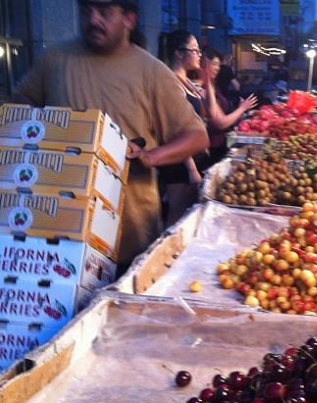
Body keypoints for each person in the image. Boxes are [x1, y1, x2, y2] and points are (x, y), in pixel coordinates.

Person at [11, 0, 209, 274]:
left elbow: (197, 136)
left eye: (104, 12)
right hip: (59, 231)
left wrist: (152, 156)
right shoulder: (54, 59)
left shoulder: (152, 72)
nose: (93, 20)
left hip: (129, 237)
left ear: (129, 19)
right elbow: (22, 101)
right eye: (86, 11)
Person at [158, 29, 210, 228]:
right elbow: (175, 129)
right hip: (180, 163)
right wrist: (191, 168)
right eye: (194, 50)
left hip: (195, 157)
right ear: (179, 54)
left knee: (189, 214)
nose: (199, 55)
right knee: (177, 214)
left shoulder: (187, 82)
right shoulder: (171, 84)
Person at [193, 47, 258, 170]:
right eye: (214, 64)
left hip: (219, 144)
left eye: (219, 64)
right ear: (204, 64)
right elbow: (220, 122)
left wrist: (239, 111)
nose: (217, 68)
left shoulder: (212, 87)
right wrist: (242, 109)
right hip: (211, 148)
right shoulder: (201, 89)